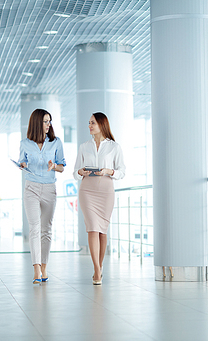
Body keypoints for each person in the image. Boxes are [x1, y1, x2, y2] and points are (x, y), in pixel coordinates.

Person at [73, 112, 125, 285]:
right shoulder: (84, 146)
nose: (89, 126)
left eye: (92, 123)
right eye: (89, 123)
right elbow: (75, 172)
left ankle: (100, 266)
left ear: (101, 125)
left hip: (106, 190)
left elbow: (121, 171)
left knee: (103, 230)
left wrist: (109, 171)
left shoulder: (114, 147)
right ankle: (96, 270)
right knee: (92, 228)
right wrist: (81, 172)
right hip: (87, 190)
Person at [19, 108, 66, 284]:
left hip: (49, 189)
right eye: (46, 121)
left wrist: (54, 166)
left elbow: (62, 166)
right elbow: (22, 161)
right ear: (37, 123)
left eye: (50, 121)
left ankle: (44, 266)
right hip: (31, 187)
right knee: (34, 227)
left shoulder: (56, 142)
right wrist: (22, 164)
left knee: (46, 230)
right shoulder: (25, 143)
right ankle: (36, 269)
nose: (49, 124)